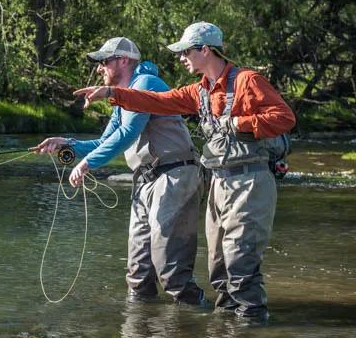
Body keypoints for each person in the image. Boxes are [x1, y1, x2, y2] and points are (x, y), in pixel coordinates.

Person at [76, 22, 295, 321]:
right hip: (218, 180)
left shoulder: (248, 81)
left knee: (239, 263)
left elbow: (284, 118)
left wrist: (238, 124)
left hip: (250, 180)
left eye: (185, 51)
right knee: (218, 268)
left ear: (205, 50)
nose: (181, 58)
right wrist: (112, 93)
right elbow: (159, 102)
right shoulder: (199, 91)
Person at [35, 37, 205, 305]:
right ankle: (138, 337)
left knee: (170, 269)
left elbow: (128, 133)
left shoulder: (146, 85)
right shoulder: (122, 97)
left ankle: (193, 326)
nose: (99, 68)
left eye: (104, 61)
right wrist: (67, 144)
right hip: (147, 181)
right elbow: (105, 141)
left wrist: (87, 163)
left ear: (123, 61)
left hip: (174, 176)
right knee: (138, 273)